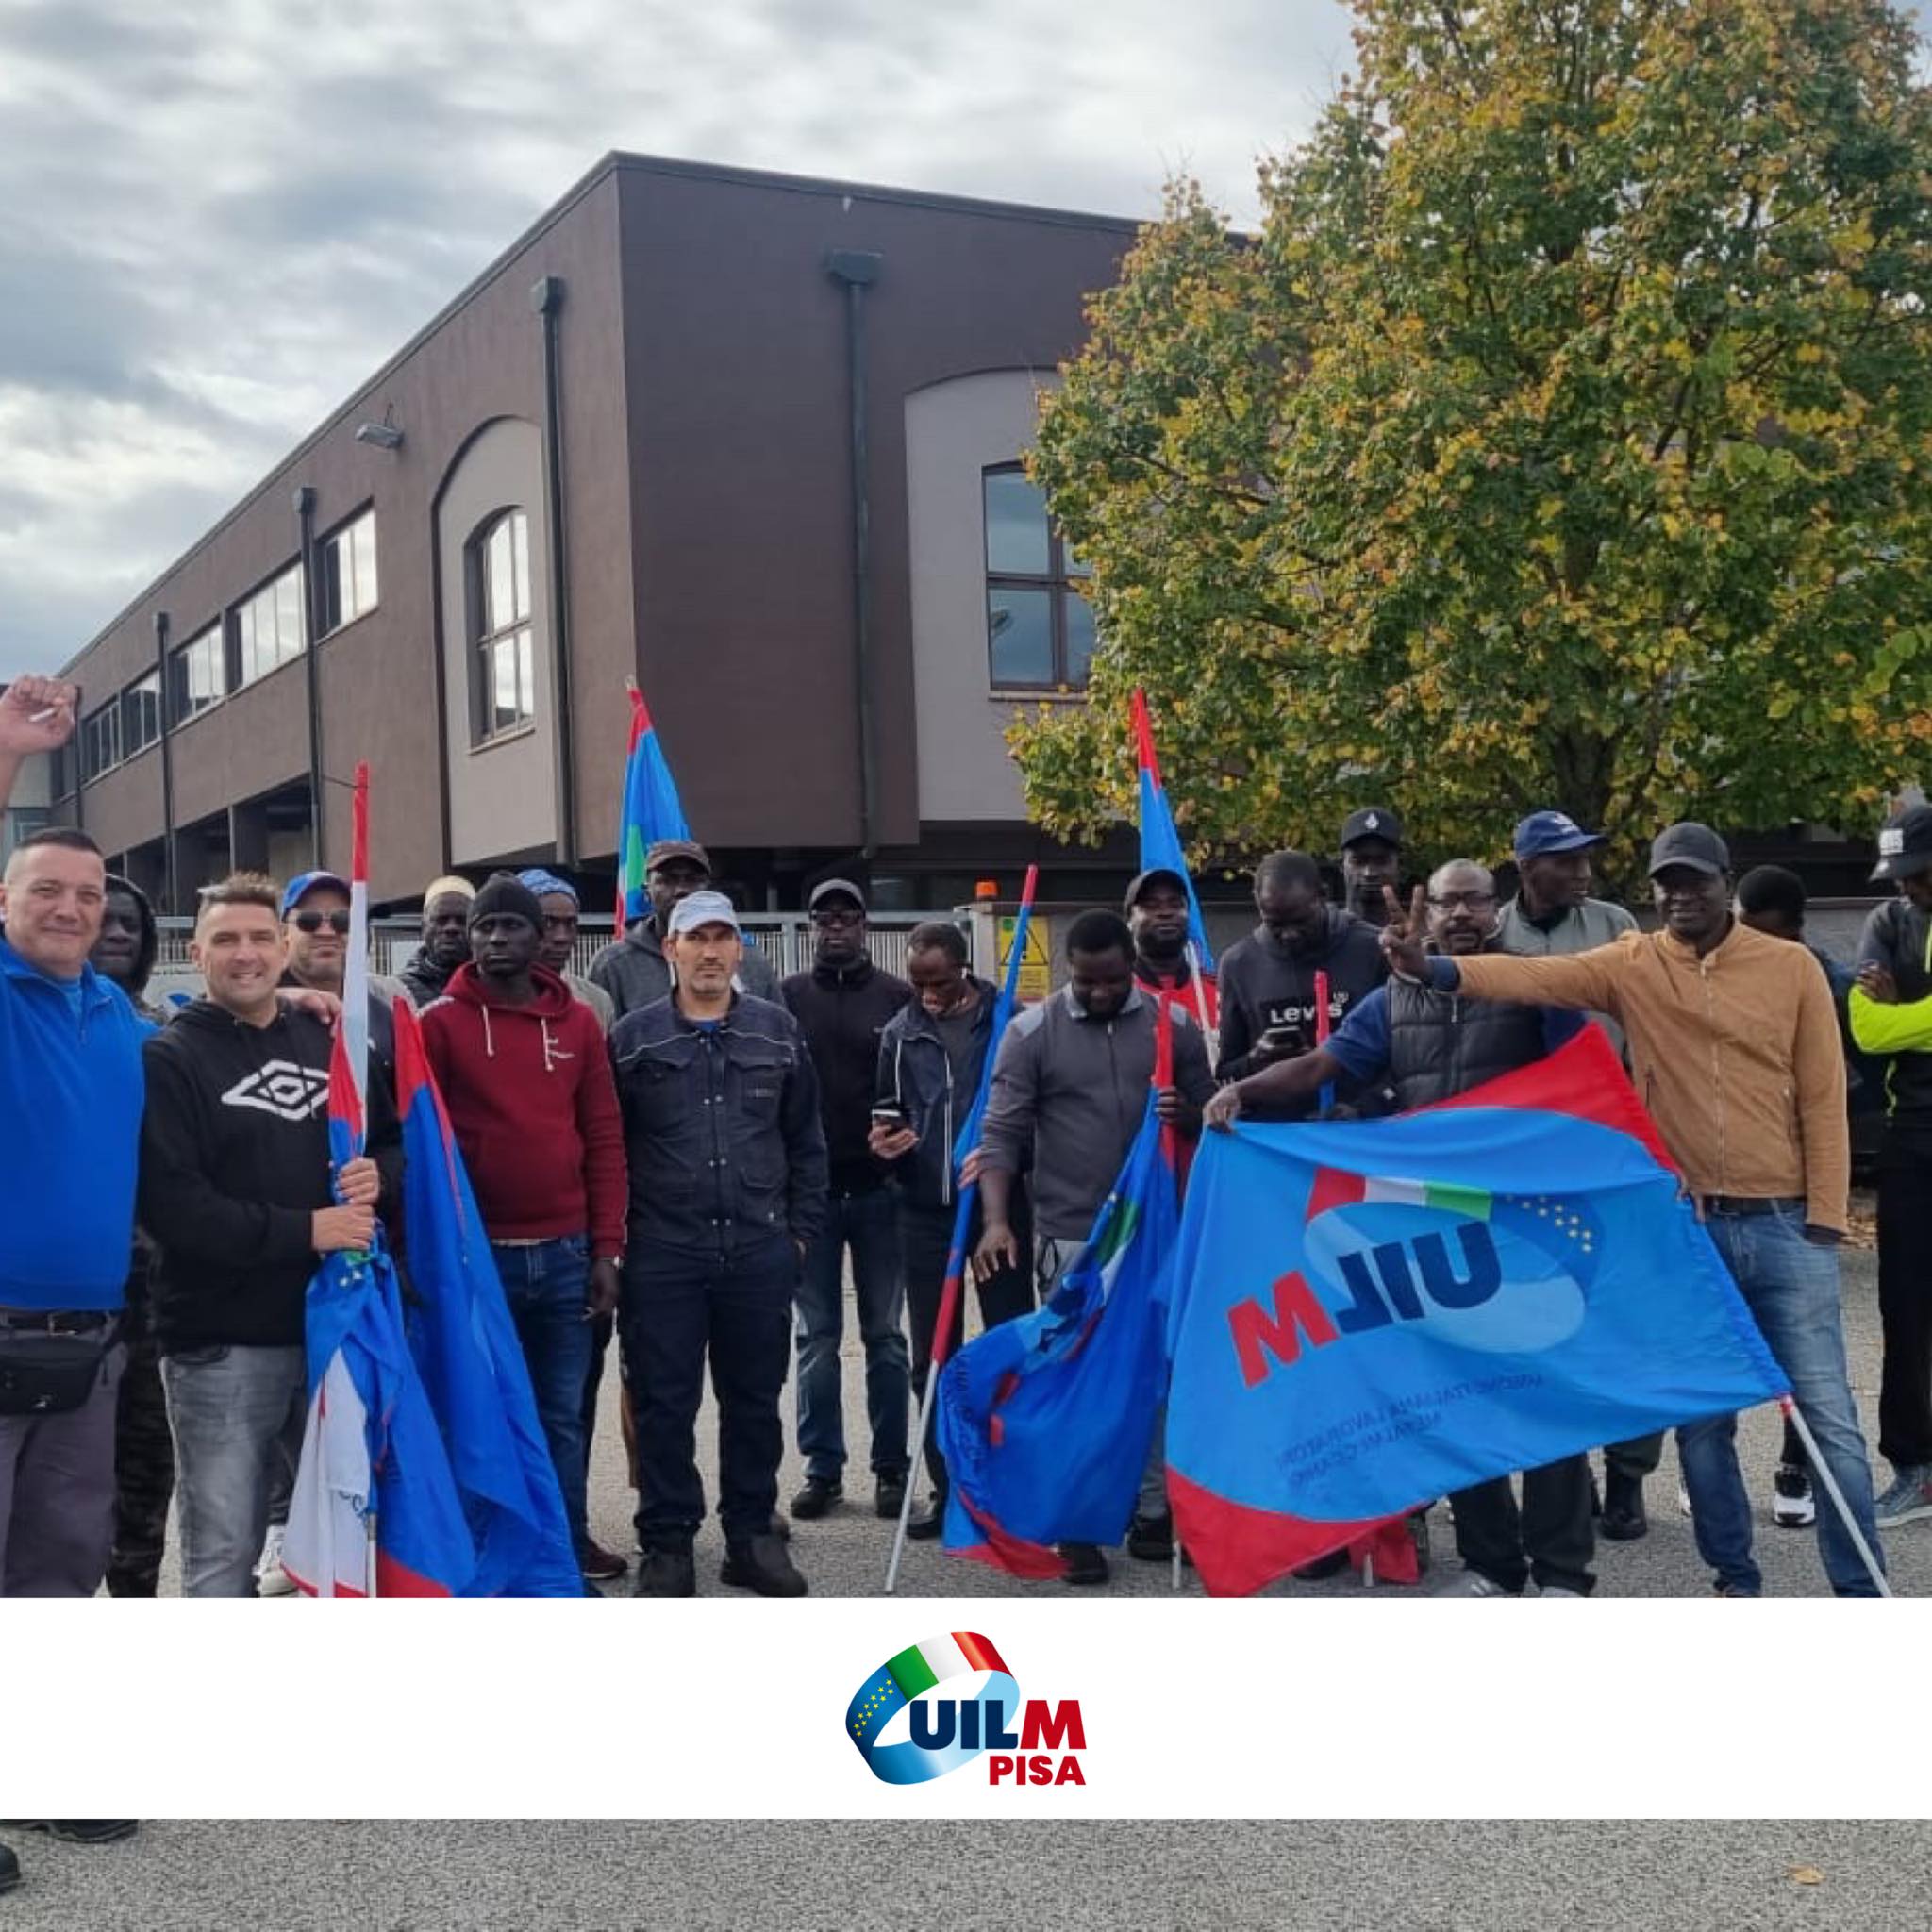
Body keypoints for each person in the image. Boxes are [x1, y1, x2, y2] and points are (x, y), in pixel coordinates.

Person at [1380, 824, 1886, 1598]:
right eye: (1667, 884)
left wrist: (1825, 1214)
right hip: (1687, 1229)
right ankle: (1735, 1579)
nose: (1681, 896)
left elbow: (1823, 1095)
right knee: (1703, 1422)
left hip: (1787, 1224)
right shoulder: (1634, 963)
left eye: (1695, 881)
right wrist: (1433, 969)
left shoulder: (1791, 969)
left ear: (1726, 881)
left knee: (1827, 1417)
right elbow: (1534, 976)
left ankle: (1860, 1589)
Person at [1208, 861, 1593, 1598]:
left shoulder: (1534, 984)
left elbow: (1589, 1081)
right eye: (1447, 902)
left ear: (1497, 908)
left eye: (1473, 900)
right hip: (1436, 1235)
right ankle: (1491, 1566)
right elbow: (1321, 1065)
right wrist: (1241, 1091)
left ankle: (1564, 1573)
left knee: (1546, 1401)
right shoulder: (1391, 1001)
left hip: (1525, 1229)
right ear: (1432, 913)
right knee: (1457, 1399)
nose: (1460, 914)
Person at [137, 874, 400, 1598]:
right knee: (225, 1550)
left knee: (346, 1538)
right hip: (222, 1345)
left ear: (284, 949)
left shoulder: (329, 1037)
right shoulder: (169, 1058)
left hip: (333, 1332)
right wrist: (308, 1230)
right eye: (225, 940)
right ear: (197, 953)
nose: (245, 954)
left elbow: (391, 1141)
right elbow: (175, 1209)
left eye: (260, 937)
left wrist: (377, 1175)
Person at [974, 908, 1217, 1582]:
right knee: (1076, 1375)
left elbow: (1216, 1110)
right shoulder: (1031, 1032)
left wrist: (1190, 1114)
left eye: (1113, 979)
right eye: (1088, 981)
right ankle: (1077, 1522)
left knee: (1157, 1373)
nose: (1102, 992)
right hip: (1073, 1231)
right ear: (1069, 971)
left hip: (1157, 1227)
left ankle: (1154, 1512)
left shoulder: (1173, 1025)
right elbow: (1001, 1134)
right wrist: (996, 1221)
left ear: (1130, 967)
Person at [612, 891, 826, 1597]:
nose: (709, 952)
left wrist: (799, 1237)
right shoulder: (634, 1039)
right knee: (664, 1405)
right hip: (663, 1254)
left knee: (755, 1402)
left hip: (758, 1252)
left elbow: (806, 1141)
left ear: (739, 949)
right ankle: (668, 1543)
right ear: (669, 949)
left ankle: (751, 1537)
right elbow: (610, 1147)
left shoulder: (778, 1032)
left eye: (721, 938)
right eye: (695, 938)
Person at [416, 873, 627, 1587]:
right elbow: (424, 1145)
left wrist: (607, 1249)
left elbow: (603, 1136)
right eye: (484, 927)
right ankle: (486, 1565)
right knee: (478, 1417)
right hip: (479, 1263)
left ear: (541, 939)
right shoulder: (439, 1024)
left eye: (511, 926)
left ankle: (559, 1562)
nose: (495, 939)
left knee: (560, 1419)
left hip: (566, 1257)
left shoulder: (579, 1024)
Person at [0, 677, 149, 1599]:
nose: (70, 907)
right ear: (4, 898)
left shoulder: (121, 1018)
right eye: (47, 889)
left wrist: (284, 998)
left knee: (59, 1573)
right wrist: (9, 753)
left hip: (89, 1351)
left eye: (88, 894)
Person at [1493, 809, 1653, 1540]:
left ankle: (1629, 1472)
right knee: (1545, 1318)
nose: (1582, 870)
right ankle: (1568, 1468)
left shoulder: (1616, 924)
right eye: (1565, 859)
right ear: (1527, 867)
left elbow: (1647, 1022)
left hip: (1609, 1144)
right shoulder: (1495, 935)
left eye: (1586, 856)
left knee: (1623, 1318)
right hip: (1525, 1160)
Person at [1737, 863, 1889, 1531]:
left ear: (1793, 931)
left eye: (1758, 930)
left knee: (1805, 1346)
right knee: (1726, 1332)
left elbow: (1868, 1075)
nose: (1744, 939)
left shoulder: (1830, 984)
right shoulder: (1725, 974)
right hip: (1728, 1184)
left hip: (1799, 1186)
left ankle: (1796, 1470)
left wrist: (1812, 1114)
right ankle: (1714, 1477)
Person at [872, 921, 1034, 1538]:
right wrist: (886, 1143)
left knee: (1008, 1344)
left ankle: (1012, 1487)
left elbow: (1035, 1110)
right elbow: (886, 1111)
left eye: (939, 982)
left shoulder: (1011, 1021)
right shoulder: (899, 1032)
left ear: (964, 968)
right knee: (932, 1355)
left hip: (999, 1212)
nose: (929, 995)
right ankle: (948, 1487)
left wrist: (1007, 1159)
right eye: (918, 983)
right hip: (925, 1209)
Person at [781, 880, 912, 1520]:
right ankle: (822, 1469)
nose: (835, 926)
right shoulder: (785, 1000)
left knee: (885, 1335)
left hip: (882, 1192)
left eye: (847, 916)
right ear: (810, 926)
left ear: (865, 925)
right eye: (823, 917)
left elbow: (923, 1085)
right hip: (810, 1197)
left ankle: (891, 1467)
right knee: (816, 1337)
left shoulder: (897, 998)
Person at [88, 875, 177, 1599]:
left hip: (155, 1287)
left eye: (131, 924)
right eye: (105, 920)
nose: (118, 933)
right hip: (63, 1291)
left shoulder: (168, 1030)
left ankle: (136, 1590)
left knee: (147, 1456)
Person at [1848, 804, 1932, 1532]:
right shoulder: (1888, 921)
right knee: (1904, 1310)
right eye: (1899, 875)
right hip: (1913, 1139)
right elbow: (1869, 1031)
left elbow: (1892, 1022)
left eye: (1918, 873)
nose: (1907, 887)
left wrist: (1909, 1012)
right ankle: (1915, 1468)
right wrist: (1902, 1019)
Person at [1215, 850, 1389, 1108]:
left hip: (1362, 1122)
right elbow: (1225, 1074)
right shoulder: (1238, 964)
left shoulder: (1373, 949)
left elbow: (1401, 1054)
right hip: (1279, 1124)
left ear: (1322, 895)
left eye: (1301, 921)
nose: (1289, 935)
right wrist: (1255, 1060)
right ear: (1257, 903)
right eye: (1275, 925)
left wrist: (1365, 1107)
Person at [588, 839, 776, 1020]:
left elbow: (778, 1032)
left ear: (710, 890)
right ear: (647, 892)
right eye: (667, 880)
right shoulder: (613, 965)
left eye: (692, 879)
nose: (681, 890)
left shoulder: (750, 961)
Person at [518, 868, 617, 1032]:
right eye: (548, 923)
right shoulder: (493, 1002)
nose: (561, 937)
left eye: (570, 924)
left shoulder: (597, 1001)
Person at [1126, 867, 1219, 1027]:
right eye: (1151, 906)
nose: (1165, 913)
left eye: (1175, 904)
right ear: (1130, 920)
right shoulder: (1114, 995)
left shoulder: (1218, 995)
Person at [399, 874, 475, 1008]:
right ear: (424, 926)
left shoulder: (492, 988)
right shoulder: (400, 991)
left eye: (462, 920)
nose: (451, 928)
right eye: (441, 920)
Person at [1339, 807, 1404, 928]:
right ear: (1341, 865)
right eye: (1358, 861)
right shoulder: (1323, 934)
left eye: (1381, 861)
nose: (1369, 873)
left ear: (1400, 865)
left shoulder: (1419, 936)